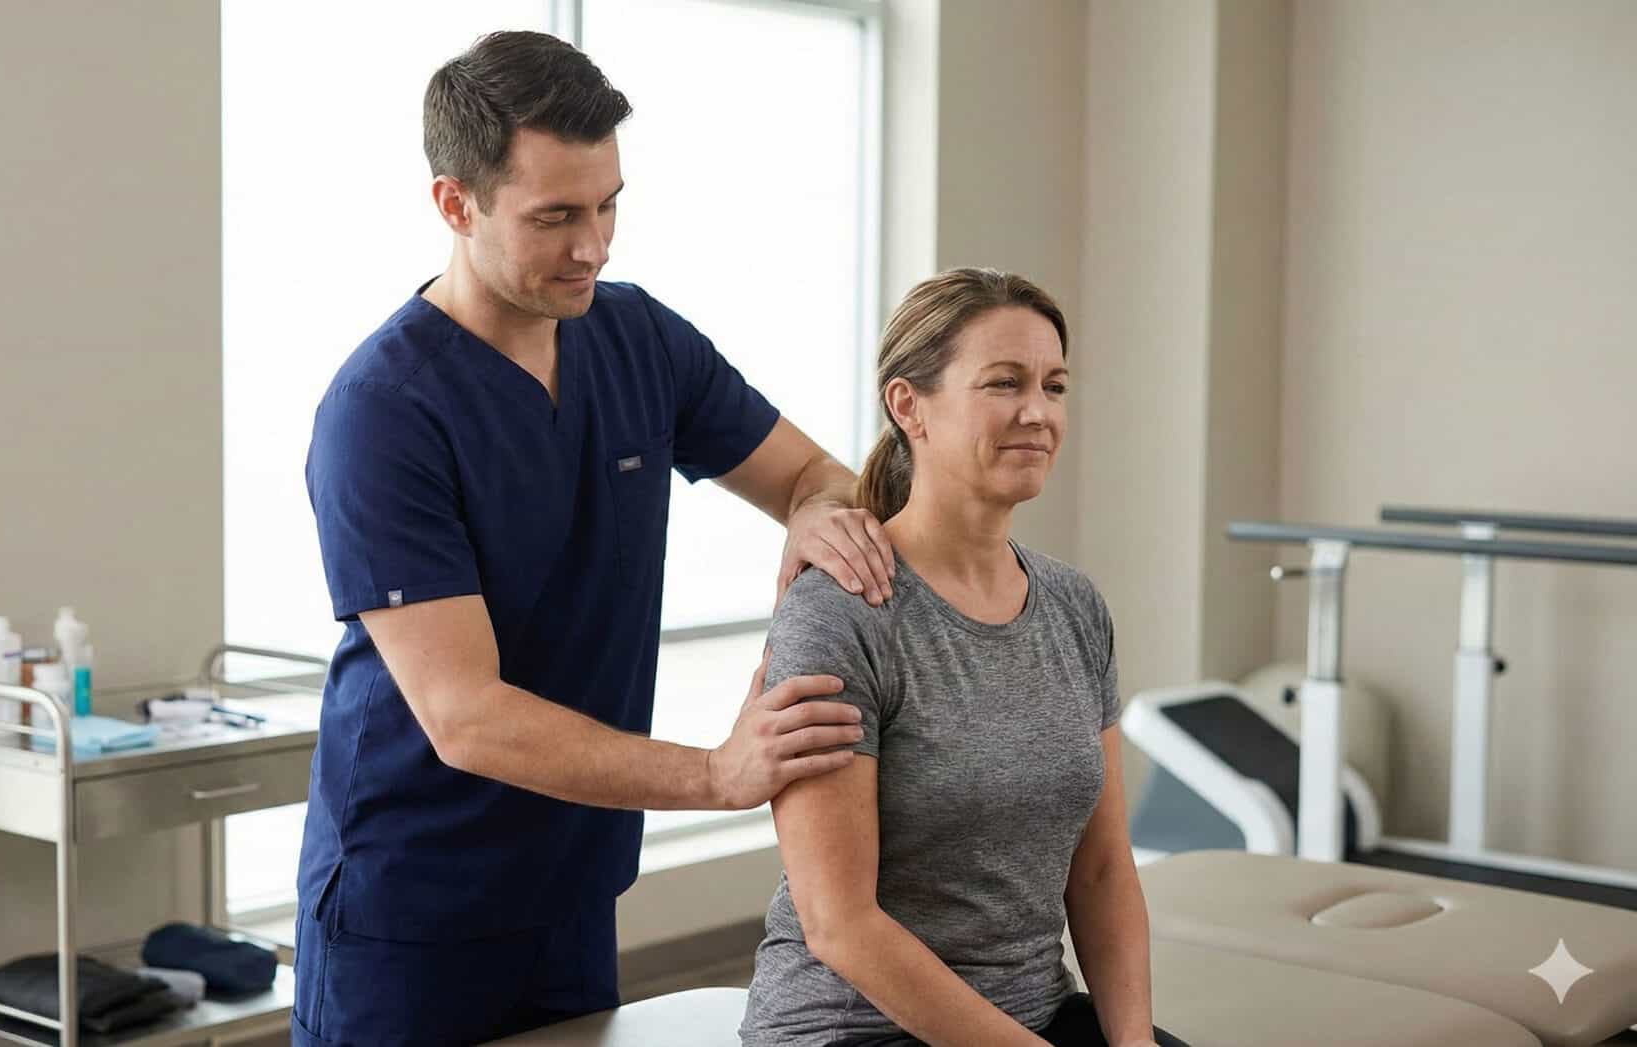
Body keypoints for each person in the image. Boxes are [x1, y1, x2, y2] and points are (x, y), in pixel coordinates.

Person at [293, 30, 894, 1047]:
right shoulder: (383, 410)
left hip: (572, 887)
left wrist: (819, 525)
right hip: (414, 910)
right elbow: (466, 718)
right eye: (556, 216)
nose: (595, 245)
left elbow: (811, 476)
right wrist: (713, 773)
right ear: (456, 204)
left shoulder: (639, 339)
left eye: (609, 204)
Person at [739, 269, 1188, 1047]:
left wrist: (1135, 1044)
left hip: (1031, 1012)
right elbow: (841, 925)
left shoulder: (1074, 606)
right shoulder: (843, 611)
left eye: (1054, 385)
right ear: (908, 404)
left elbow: (1104, 870)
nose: (1037, 412)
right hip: (853, 1031)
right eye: (1003, 383)